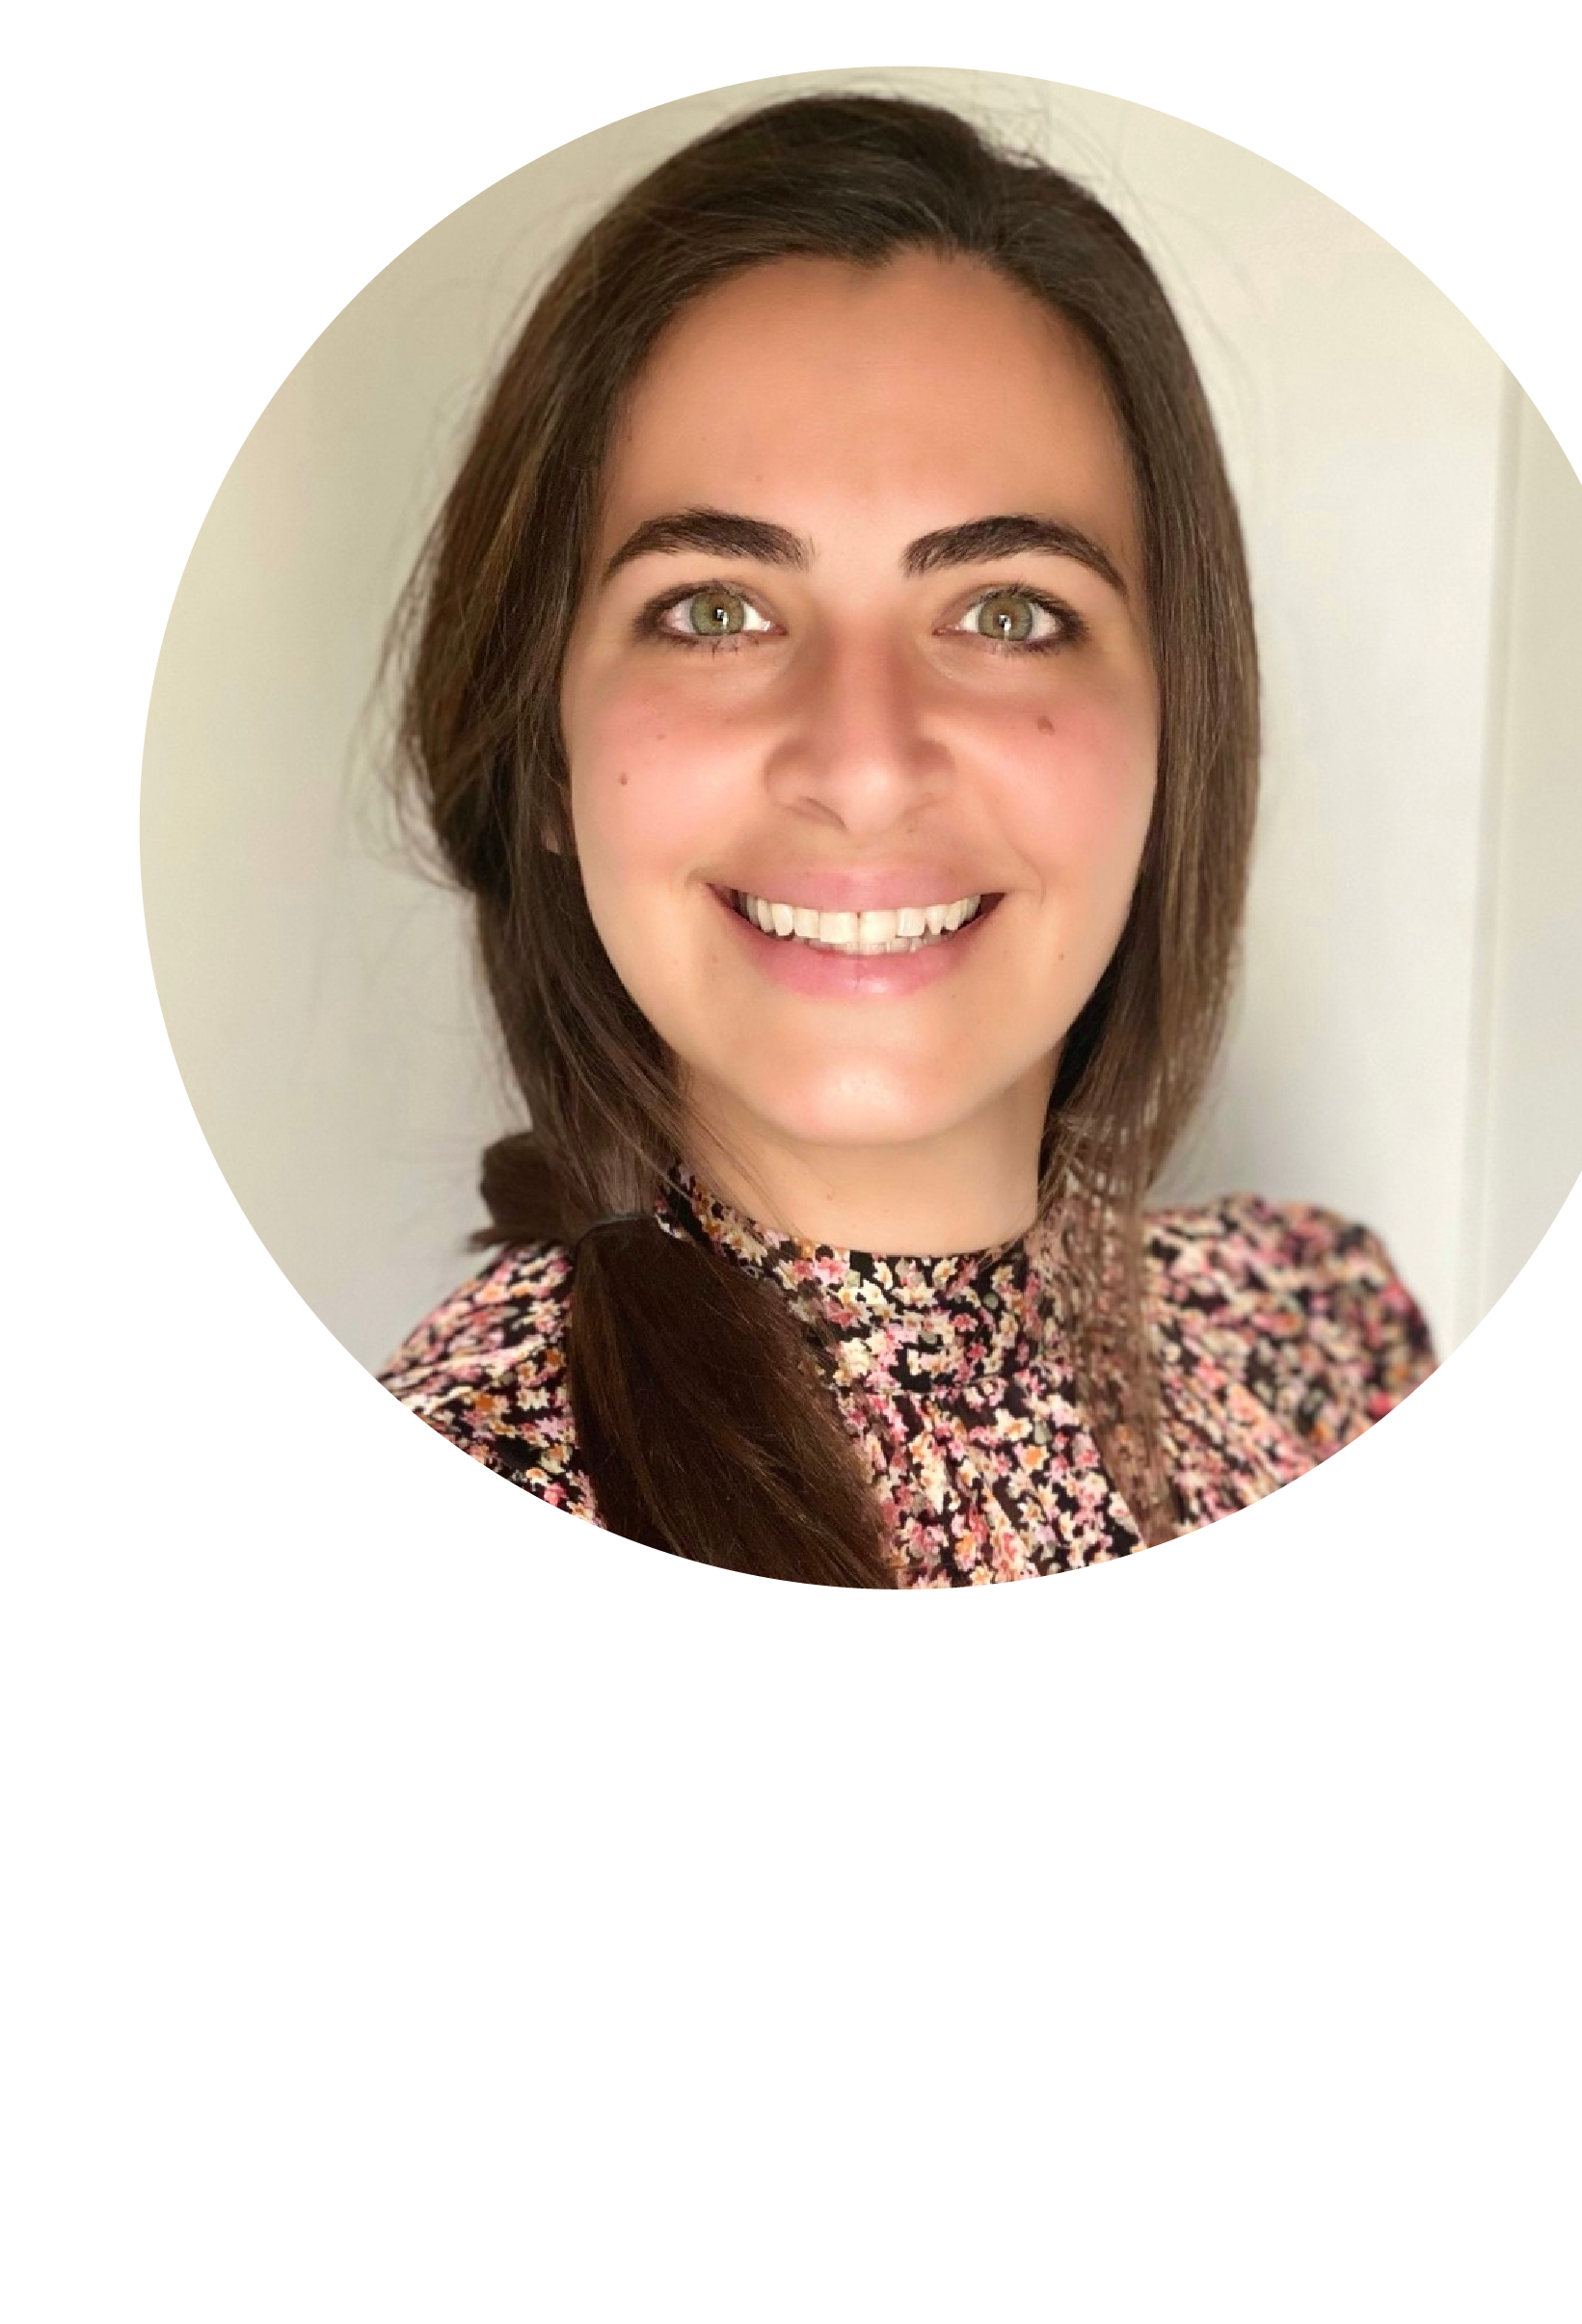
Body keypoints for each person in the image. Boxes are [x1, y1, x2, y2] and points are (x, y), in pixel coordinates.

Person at [371, 93, 1435, 1598]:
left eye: (1007, 613)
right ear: (545, 750)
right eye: (714, 610)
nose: (864, 766)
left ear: (1173, 735)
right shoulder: (491, 1453)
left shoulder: (1332, 1337)